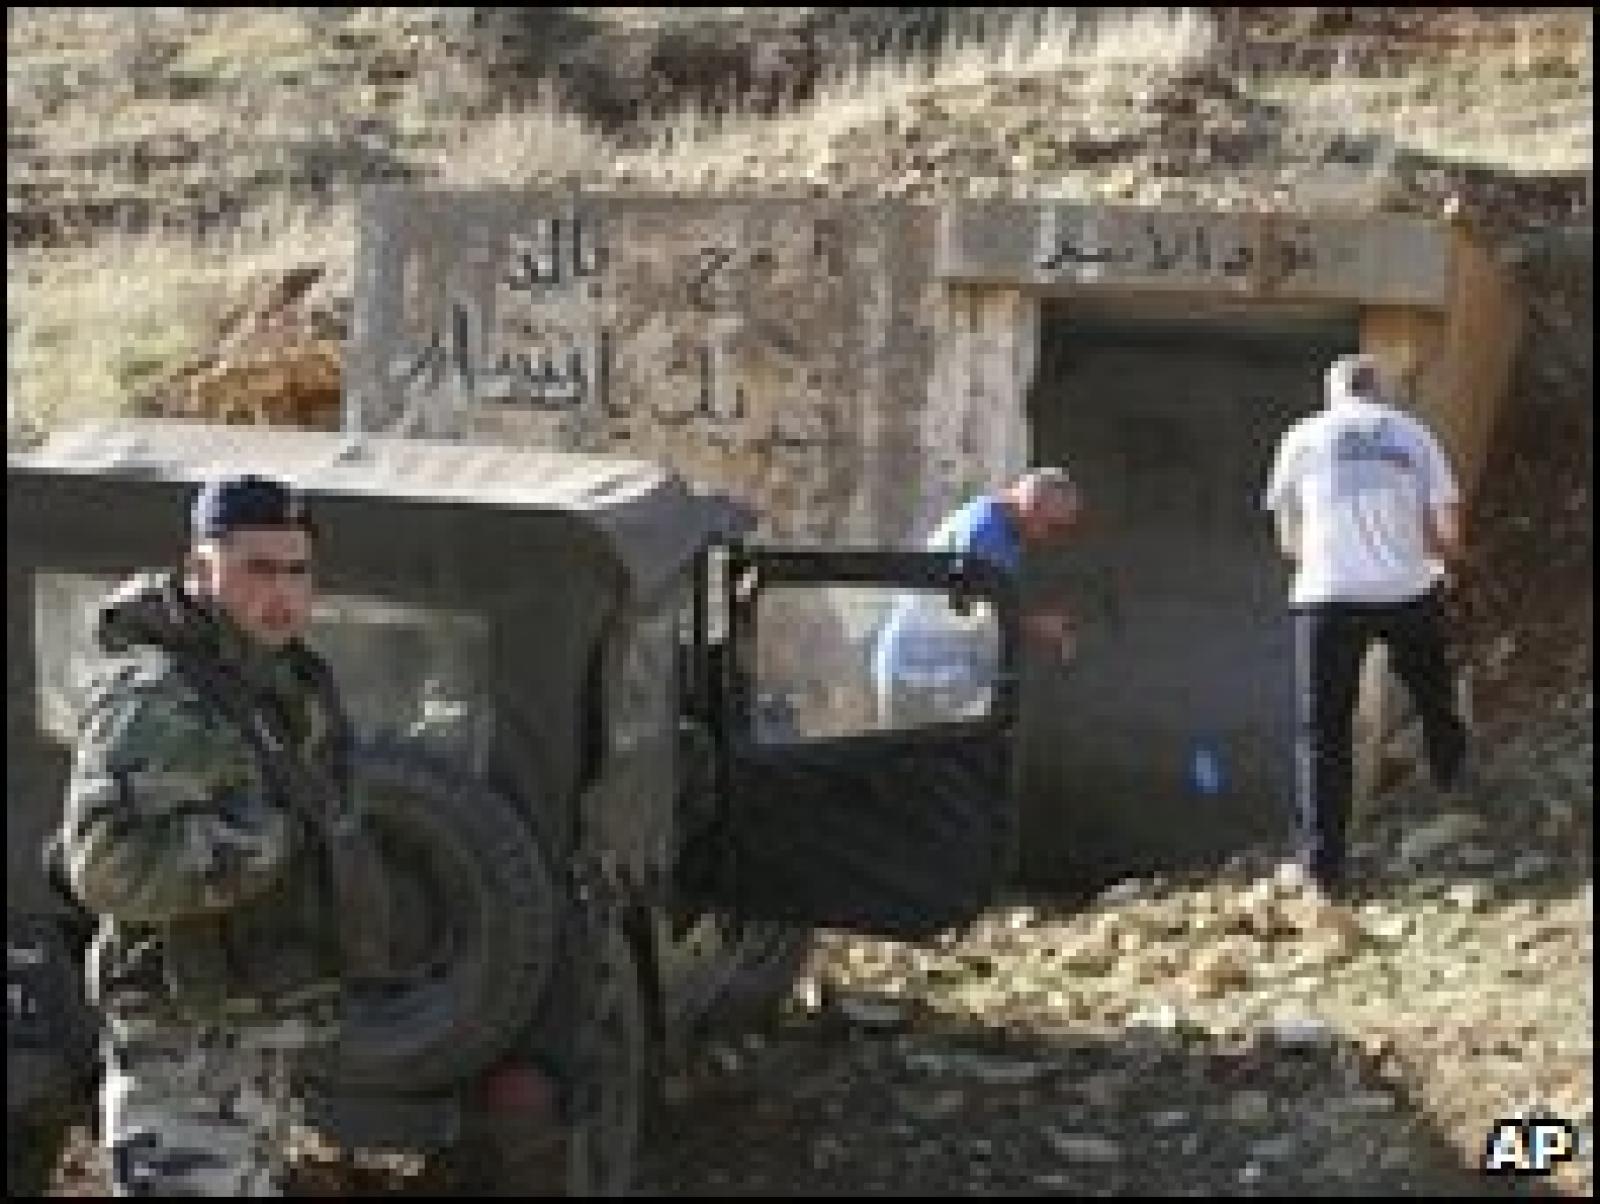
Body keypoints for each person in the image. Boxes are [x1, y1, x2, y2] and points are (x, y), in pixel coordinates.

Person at [50, 475, 386, 1196]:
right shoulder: (157, 698)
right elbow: (103, 867)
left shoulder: (284, 687)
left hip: (256, 1040)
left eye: (297, 570)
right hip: (181, 1049)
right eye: (257, 569)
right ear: (201, 569)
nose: (283, 593)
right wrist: (259, 846)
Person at [1262, 353, 1472, 899]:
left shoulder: (1301, 438)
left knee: (1323, 731)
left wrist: (1328, 556)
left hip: (1327, 598)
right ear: (1380, 392)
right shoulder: (1414, 434)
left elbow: (1287, 538)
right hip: (1406, 590)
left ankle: (1324, 867)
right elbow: (1448, 525)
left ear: (1331, 393)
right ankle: (1455, 781)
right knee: (1432, 691)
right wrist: (1436, 559)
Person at [872, 467, 1083, 726]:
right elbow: (974, 616)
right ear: (1034, 506)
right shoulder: (985, 535)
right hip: (919, 676)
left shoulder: (1001, 524)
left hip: (938, 675)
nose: (1049, 538)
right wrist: (1038, 626)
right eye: (1053, 527)